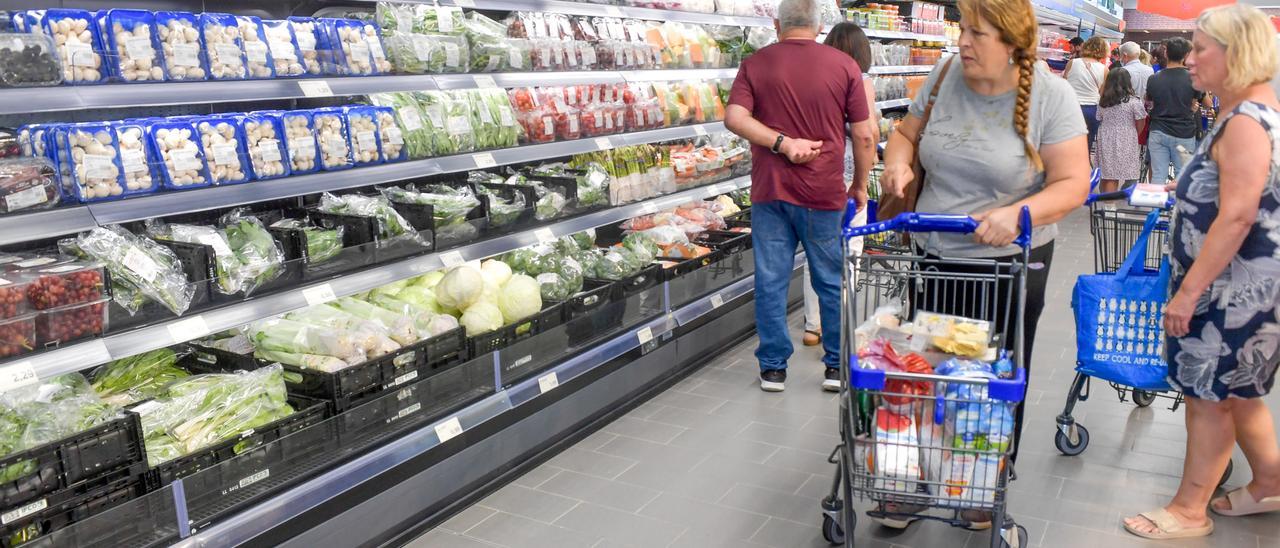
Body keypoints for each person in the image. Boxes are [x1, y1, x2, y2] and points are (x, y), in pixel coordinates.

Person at [877, 0, 1088, 528]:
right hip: (935, 252)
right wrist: (897, 162)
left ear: (1012, 42)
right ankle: (915, 479)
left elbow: (1072, 184)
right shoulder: (946, 74)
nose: (962, 44)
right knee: (927, 371)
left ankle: (978, 485)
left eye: (977, 34)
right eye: (962, 31)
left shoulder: (1051, 96)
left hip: (1009, 265)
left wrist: (1019, 212)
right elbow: (906, 133)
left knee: (988, 382)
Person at [1123, 4, 1280, 540]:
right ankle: (1269, 482)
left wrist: (1187, 294)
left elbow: (1237, 215)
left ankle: (1191, 510)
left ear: (1236, 55)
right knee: (1239, 390)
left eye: (1199, 48)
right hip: (1247, 290)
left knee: (1207, 397)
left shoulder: (1243, 123)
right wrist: (1183, 188)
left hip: (1227, 292)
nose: (1189, 59)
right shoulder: (1253, 114)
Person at [725, 0, 877, 393]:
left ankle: (773, 368)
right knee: (830, 280)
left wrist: (781, 142)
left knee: (772, 281)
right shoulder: (845, 67)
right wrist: (859, 185)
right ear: (820, 24)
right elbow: (864, 135)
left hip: (770, 193)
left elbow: (735, 118)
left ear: (777, 24)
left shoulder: (756, 63)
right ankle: (835, 366)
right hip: (823, 193)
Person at [798, 22, 881, 356]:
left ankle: (811, 324)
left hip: (815, 170)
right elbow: (868, 132)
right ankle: (840, 319)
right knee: (851, 245)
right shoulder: (861, 81)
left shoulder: (813, 77)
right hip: (848, 173)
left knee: (814, 246)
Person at [1145, 37, 1204, 183]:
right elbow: (1195, 103)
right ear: (1186, 55)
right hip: (1184, 132)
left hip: (1158, 130)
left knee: (1158, 175)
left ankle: (1156, 206)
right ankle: (1177, 206)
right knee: (1182, 175)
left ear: (1166, 54)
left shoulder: (1153, 78)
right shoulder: (1193, 78)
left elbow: (1149, 101)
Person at [1095, 69, 1146, 195]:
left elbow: (1099, 117)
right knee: (1117, 174)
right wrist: (1133, 133)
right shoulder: (1134, 102)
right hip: (1127, 136)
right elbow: (1141, 122)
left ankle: (1106, 202)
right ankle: (1110, 205)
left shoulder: (1103, 101)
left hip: (1106, 136)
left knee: (1108, 173)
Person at [1062, 36, 1109, 153]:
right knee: (1085, 149)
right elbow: (1102, 94)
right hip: (1091, 110)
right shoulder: (1104, 70)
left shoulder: (1072, 63)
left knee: (1065, 146)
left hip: (1070, 108)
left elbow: (1064, 85)